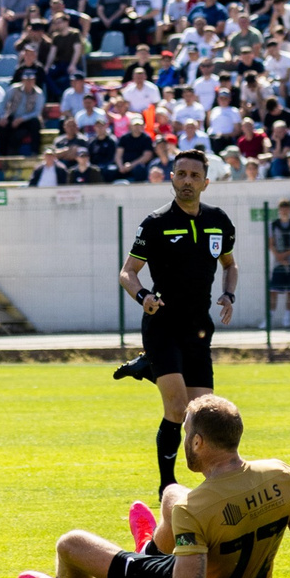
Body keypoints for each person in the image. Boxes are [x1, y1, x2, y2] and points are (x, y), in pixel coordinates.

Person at [16, 394, 290, 578]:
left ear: (197, 442)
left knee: (71, 543)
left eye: (185, 434)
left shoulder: (194, 510)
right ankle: (151, 550)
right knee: (172, 493)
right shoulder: (285, 475)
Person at [113, 151, 239, 497]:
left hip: (199, 326)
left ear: (205, 183)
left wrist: (229, 294)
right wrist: (143, 296)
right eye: (181, 174)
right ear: (171, 178)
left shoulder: (219, 220)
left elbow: (230, 264)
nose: (187, 181)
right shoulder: (155, 223)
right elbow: (127, 272)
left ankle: (149, 368)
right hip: (162, 324)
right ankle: (167, 486)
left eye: (194, 176)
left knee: (203, 415)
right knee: (177, 408)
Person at [266, 198, 290, 328]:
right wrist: (280, 258)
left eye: (287, 209)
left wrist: (285, 256)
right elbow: (270, 244)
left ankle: (287, 319)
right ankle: (269, 319)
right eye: (282, 209)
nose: (284, 211)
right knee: (273, 291)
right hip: (278, 263)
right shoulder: (273, 225)